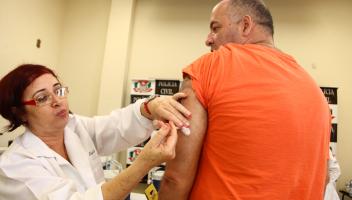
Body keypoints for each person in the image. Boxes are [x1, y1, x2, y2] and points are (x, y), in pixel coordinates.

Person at [159, 0, 331, 199]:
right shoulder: (316, 92)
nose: (208, 40)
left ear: (246, 25)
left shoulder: (207, 69)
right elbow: (324, 177)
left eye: (216, 28)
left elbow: (175, 178)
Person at [0, 64, 191, 200]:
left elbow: (115, 127)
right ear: (19, 113)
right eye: (42, 98)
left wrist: (150, 107)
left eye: (58, 90)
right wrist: (143, 164)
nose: (57, 101)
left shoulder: (74, 128)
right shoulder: (15, 166)